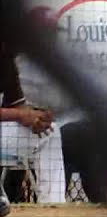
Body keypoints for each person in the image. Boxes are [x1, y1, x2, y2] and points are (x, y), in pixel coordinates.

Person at [0, 41, 65, 207]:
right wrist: (20, 114)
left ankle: (54, 208)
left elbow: (18, 105)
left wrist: (37, 117)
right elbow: (18, 112)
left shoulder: (6, 59)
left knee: (49, 132)